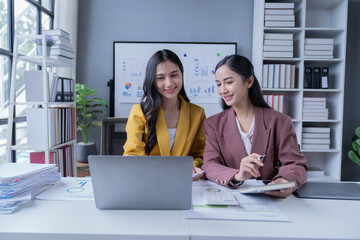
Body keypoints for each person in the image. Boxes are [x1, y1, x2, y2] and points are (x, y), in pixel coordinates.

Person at [203, 55, 307, 197]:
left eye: (228, 82)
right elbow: (210, 165)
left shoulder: (280, 121)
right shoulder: (213, 124)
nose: (223, 90)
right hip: (231, 196)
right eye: (218, 84)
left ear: (249, 81)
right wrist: (238, 175)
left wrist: (283, 181)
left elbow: (295, 164)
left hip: (271, 198)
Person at [123, 49, 206, 180]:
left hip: (183, 181)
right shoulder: (139, 112)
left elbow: (199, 154)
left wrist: (193, 166)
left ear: (181, 74)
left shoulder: (197, 113)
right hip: (148, 181)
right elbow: (133, 153)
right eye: (160, 78)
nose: (169, 83)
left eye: (174, 75)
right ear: (152, 81)